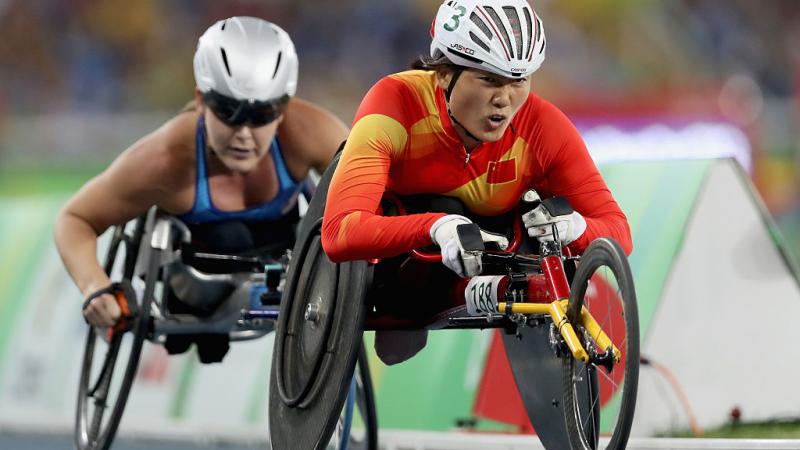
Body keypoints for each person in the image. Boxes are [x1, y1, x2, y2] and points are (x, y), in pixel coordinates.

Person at [321, 0, 632, 364]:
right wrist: (436, 226)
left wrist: (575, 227)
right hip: (401, 261)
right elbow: (339, 232)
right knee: (444, 207)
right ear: (442, 73)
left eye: (518, 80)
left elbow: (619, 233)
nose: (503, 99)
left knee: (542, 216)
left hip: (492, 250)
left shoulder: (545, 128)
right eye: (488, 79)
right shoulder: (395, 101)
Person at [55, 16, 347, 362]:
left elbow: (377, 194)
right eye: (228, 112)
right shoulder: (163, 159)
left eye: (260, 116)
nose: (243, 133)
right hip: (196, 266)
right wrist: (95, 288)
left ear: (282, 111)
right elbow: (75, 219)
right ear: (201, 101)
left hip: (283, 250)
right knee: (231, 235)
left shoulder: (311, 132)